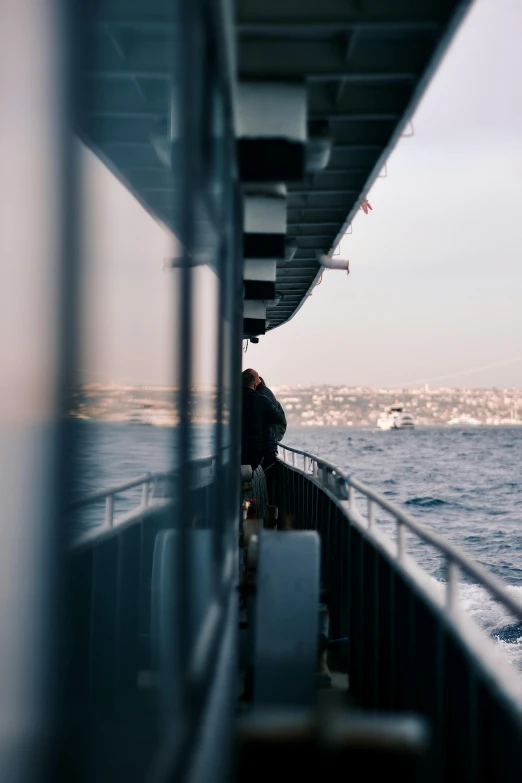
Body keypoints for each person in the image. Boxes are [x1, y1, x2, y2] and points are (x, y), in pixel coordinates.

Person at [241, 370, 285, 470]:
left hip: (241, 449)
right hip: (260, 451)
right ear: (254, 383)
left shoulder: (233, 401)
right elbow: (280, 419)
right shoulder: (262, 399)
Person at [255, 375, 286, 469]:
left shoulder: (261, 399)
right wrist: (276, 439)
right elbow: (282, 422)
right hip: (270, 446)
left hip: (264, 447)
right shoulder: (273, 400)